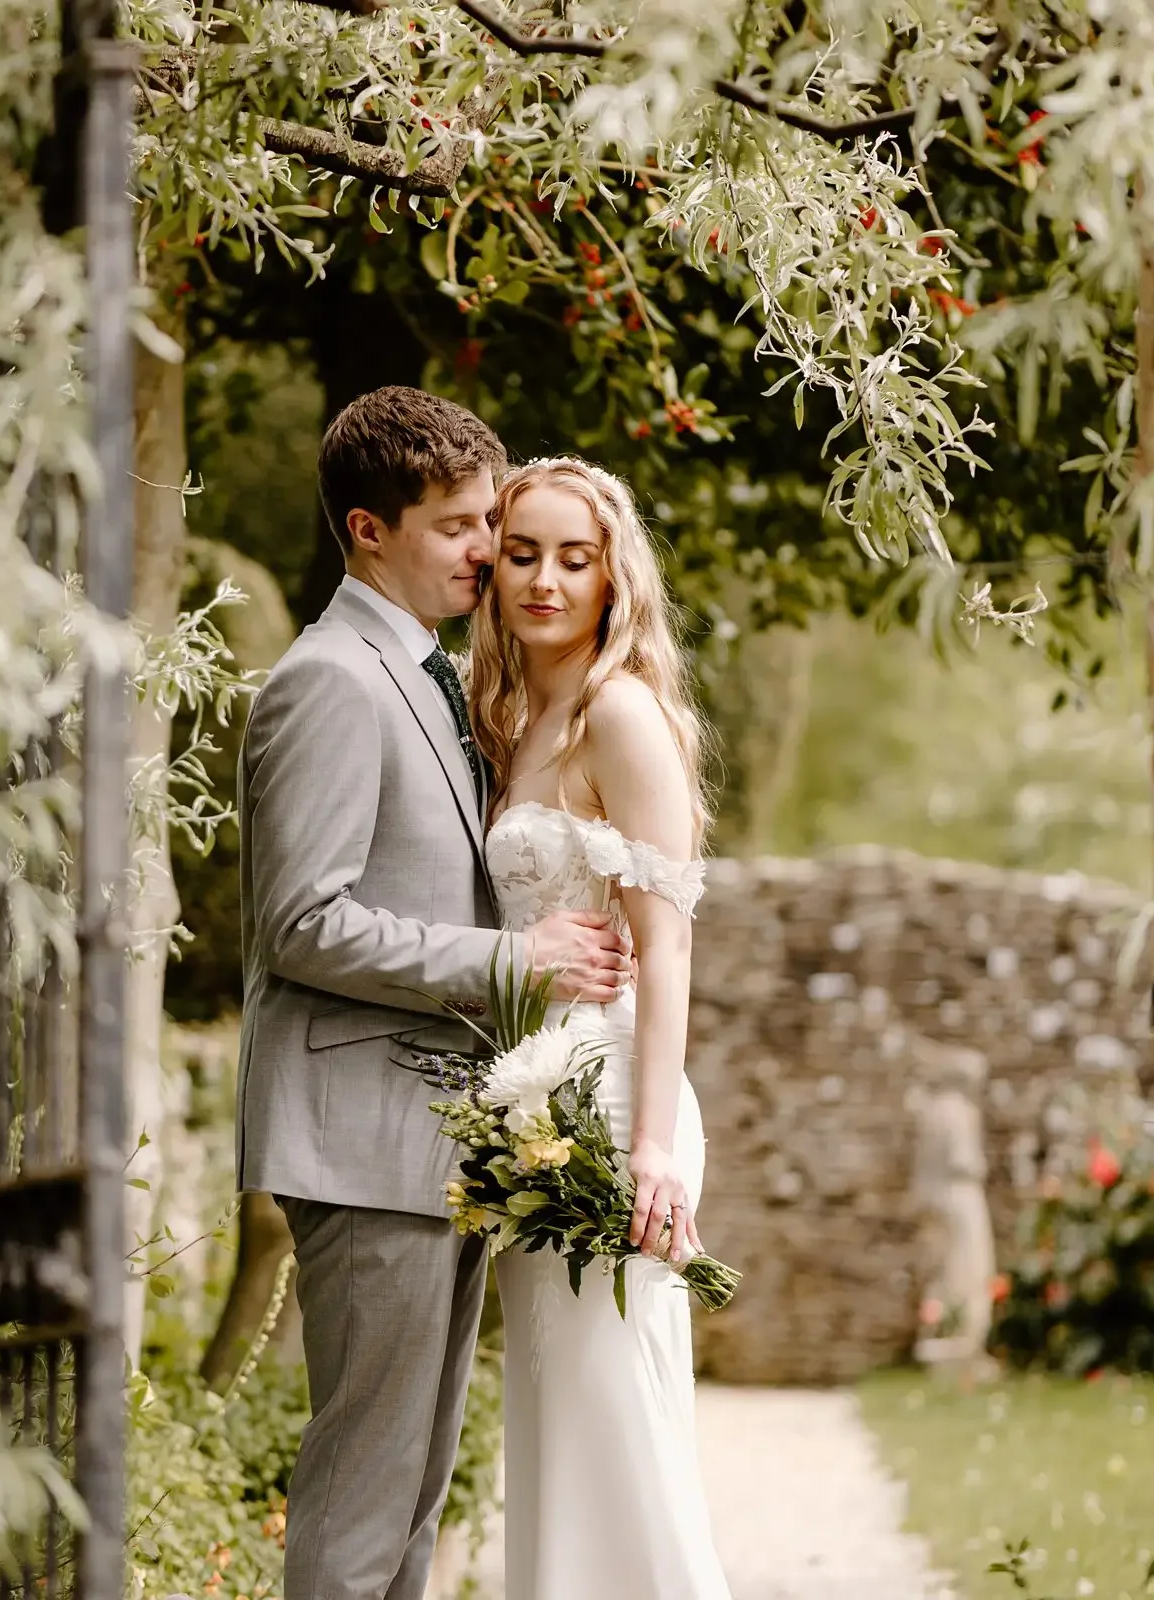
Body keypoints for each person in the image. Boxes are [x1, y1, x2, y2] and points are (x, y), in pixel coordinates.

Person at [236, 389, 634, 1600]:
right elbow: (300, 923)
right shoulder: (331, 682)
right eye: (459, 525)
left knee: (413, 1497)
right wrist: (514, 965)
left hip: (432, 1143)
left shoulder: (424, 673)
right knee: (365, 1498)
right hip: (360, 1143)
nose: (487, 551)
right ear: (368, 529)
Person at [468, 455, 734, 1599]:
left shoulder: (619, 714)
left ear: (613, 574)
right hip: (537, 1092)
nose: (545, 579)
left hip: (613, 1100)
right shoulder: (519, 712)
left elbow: (665, 943)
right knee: (562, 1423)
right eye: (523, 552)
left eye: (575, 558)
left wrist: (651, 1146)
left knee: (617, 1418)